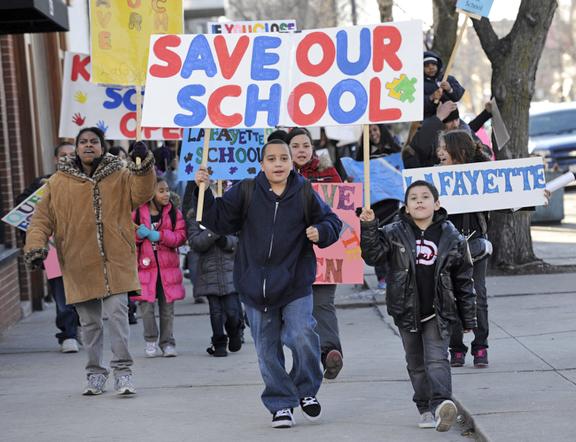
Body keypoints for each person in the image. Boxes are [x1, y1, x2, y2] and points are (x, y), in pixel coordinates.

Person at [194, 139, 342, 428]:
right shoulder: (246, 190)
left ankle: (305, 390)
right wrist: (202, 189)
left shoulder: (304, 192)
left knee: (302, 334)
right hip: (254, 286)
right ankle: (280, 404)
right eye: (271, 159)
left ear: (291, 163)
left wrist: (320, 230)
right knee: (266, 347)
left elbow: (332, 222)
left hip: (295, 281)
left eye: (283, 158)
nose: (278, 164)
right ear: (262, 164)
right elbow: (218, 220)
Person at [24, 127, 156, 396]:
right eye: (82, 142)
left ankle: (123, 372)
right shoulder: (58, 183)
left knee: (118, 317)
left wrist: (142, 167)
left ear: (102, 146)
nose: (87, 146)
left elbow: (142, 194)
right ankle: (95, 372)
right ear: (75, 147)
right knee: (90, 324)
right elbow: (40, 220)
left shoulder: (120, 175)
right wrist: (36, 247)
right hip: (78, 261)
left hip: (116, 260)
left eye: (93, 142)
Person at [359, 180, 476, 432]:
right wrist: (369, 227)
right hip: (406, 309)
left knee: (437, 360)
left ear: (437, 204)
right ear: (407, 207)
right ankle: (424, 406)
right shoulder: (392, 232)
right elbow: (372, 256)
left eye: (425, 197)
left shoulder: (452, 237)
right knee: (416, 362)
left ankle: (442, 404)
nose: (420, 201)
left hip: (438, 310)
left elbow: (464, 280)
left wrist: (468, 318)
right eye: (413, 198)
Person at [287, 127, 344, 380]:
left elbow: (343, 204)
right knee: (295, 312)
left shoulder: (327, 170)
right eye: (296, 145)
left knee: (323, 304)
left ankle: (330, 353)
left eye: (306, 146)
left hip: (325, 253)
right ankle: (303, 361)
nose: (301, 150)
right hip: (289, 258)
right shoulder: (277, 173)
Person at [16, 142, 80, 353]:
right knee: (60, 293)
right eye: (63, 155)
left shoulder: (86, 181)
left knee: (83, 291)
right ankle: (68, 335)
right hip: (52, 250)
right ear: (55, 159)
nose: (67, 158)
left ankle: (78, 326)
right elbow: (22, 206)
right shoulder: (43, 182)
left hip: (80, 247)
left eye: (71, 154)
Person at [436, 130, 492, 368]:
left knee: (477, 296)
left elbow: (508, 200)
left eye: (443, 148)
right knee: (451, 298)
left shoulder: (481, 174)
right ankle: (456, 348)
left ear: (457, 151)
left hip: (475, 244)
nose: (439, 152)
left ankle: (480, 346)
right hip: (448, 247)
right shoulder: (436, 177)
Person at [131, 176, 187, 358]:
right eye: (161, 191)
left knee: (167, 309)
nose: (166, 194)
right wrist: (139, 236)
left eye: (167, 190)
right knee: (146, 308)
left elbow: (180, 237)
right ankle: (150, 340)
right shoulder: (138, 213)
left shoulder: (173, 213)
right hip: (145, 271)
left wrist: (160, 236)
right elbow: (128, 238)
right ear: (150, 193)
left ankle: (168, 342)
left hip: (167, 270)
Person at [187, 197, 242, 357]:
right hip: (208, 273)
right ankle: (219, 342)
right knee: (216, 312)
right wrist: (213, 232)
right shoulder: (195, 220)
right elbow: (196, 243)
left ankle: (235, 332)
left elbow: (236, 240)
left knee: (232, 311)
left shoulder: (228, 217)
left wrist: (226, 241)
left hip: (229, 271)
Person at [423, 51, 465, 118]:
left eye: (433, 65)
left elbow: (458, 95)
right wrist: (431, 97)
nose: (431, 68)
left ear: (438, 65)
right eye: (427, 66)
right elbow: (417, 105)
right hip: (431, 120)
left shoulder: (448, 78)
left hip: (452, 118)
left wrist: (450, 89)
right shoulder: (420, 84)